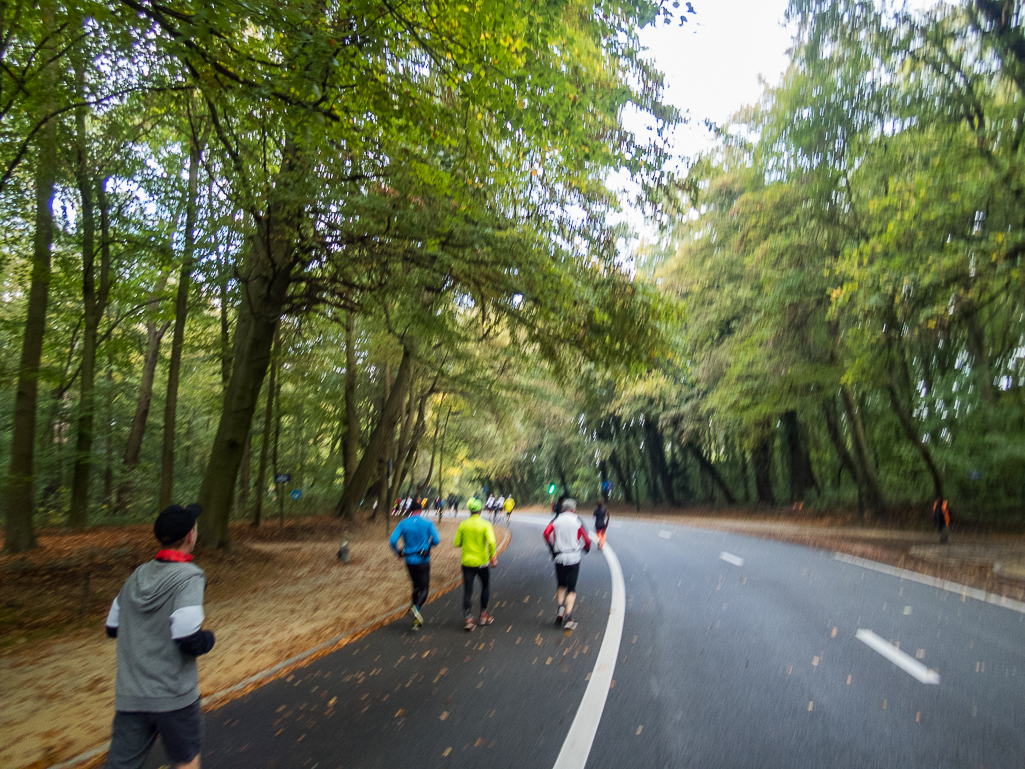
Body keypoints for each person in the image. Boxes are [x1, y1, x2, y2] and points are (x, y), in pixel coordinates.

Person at [103, 504, 215, 769]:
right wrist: (209, 639)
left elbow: (111, 627)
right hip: (173, 696)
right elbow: (188, 638)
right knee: (186, 760)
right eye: (195, 528)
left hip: (132, 696)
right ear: (190, 536)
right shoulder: (189, 577)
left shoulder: (137, 575)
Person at [389, 498, 441, 630]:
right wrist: (428, 546)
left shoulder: (403, 523)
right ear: (420, 510)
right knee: (424, 589)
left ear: (410, 511)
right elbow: (437, 539)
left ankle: (415, 621)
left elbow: (392, 541)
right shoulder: (427, 522)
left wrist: (398, 552)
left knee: (415, 587)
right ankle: (415, 609)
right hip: (423, 560)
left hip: (409, 560)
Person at [543, 498, 591, 630]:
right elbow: (586, 539)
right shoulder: (577, 521)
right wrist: (586, 547)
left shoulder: (556, 520)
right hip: (574, 557)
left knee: (561, 584)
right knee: (571, 588)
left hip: (559, 557)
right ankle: (569, 616)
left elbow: (546, 533)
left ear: (563, 509)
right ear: (574, 509)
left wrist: (552, 547)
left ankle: (560, 608)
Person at [453, 497, 497, 631]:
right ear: (481, 510)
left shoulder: (463, 524)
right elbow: (491, 542)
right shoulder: (485, 524)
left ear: (470, 511)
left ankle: (468, 618)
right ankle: (483, 615)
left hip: (467, 562)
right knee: (485, 586)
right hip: (482, 562)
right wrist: (493, 557)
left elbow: (456, 543)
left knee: (468, 589)